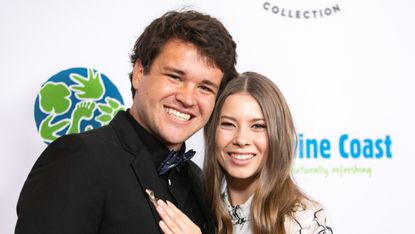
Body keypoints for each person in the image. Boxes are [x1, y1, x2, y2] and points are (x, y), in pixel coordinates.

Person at [16, 10, 237, 234]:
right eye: (175, 77)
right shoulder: (80, 158)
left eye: (205, 88)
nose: (188, 98)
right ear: (139, 73)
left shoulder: (199, 183)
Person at [155, 72, 333, 234]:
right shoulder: (199, 212)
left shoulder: (306, 219)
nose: (241, 139)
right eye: (228, 124)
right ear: (212, 133)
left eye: (258, 126)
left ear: (278, 136)